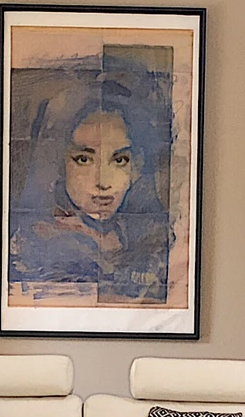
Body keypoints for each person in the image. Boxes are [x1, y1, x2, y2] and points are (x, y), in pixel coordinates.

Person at [9, 69, 174, 303]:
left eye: (120, 160)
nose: (102, 182)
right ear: (59, 164)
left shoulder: (154, 241)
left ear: (137, 167)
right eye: (83, 160)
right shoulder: (32, 245)